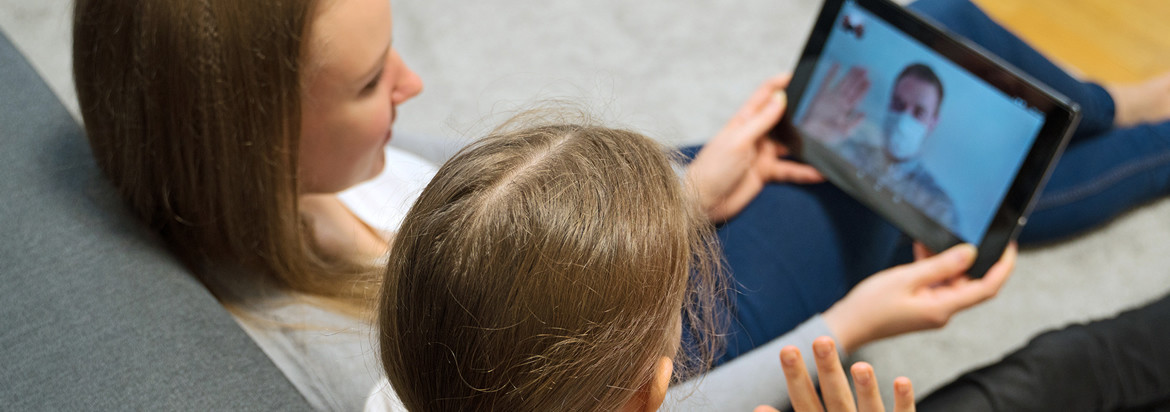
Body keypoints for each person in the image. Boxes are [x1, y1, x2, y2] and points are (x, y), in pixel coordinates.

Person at [70, 0, 1170, 409]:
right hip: (623, 318)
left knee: (899, 44)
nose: (411, 88)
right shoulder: (321, 351)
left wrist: (685, 185)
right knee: (892, 183)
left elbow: (478, 172)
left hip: (590, 231)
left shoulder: (333, 177)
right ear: (250, 131)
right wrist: (851, 328)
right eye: (368, 84)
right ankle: (1136, 124)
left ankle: (1115, 104)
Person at [800, 63, 957, 228]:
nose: (904, 120)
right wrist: (809, 133)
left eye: (919, 112)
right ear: (889, 103)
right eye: (898, 104)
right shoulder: (841, 149)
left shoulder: (939, 208)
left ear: (933, 122)